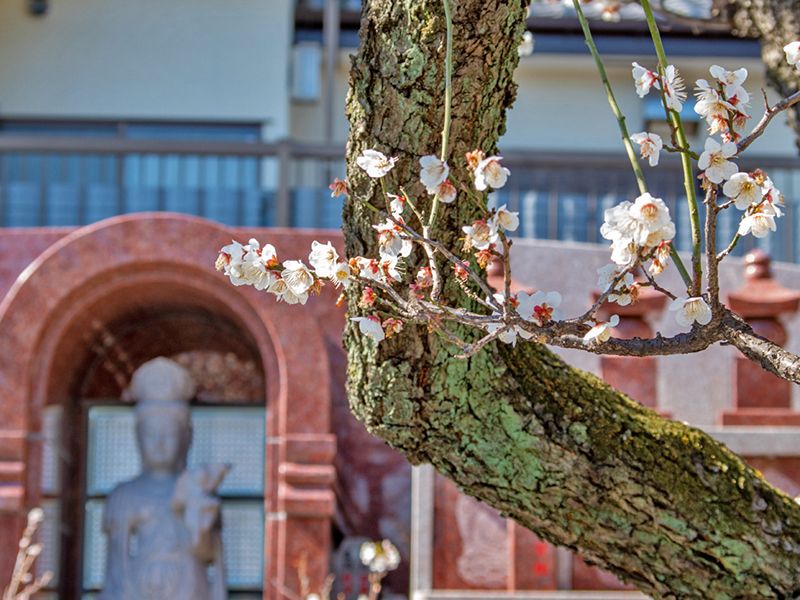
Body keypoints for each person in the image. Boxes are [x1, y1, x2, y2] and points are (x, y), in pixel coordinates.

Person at [99, 358, 227, 600]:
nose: (159, 443)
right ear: (138, 437)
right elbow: (116, 566)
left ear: (186, 437)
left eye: (169, 434)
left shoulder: (197, 489)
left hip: (189, 587)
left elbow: (208, 553)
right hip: (137, 589)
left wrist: (198, 519)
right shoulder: (123, 495)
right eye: (151, 434)